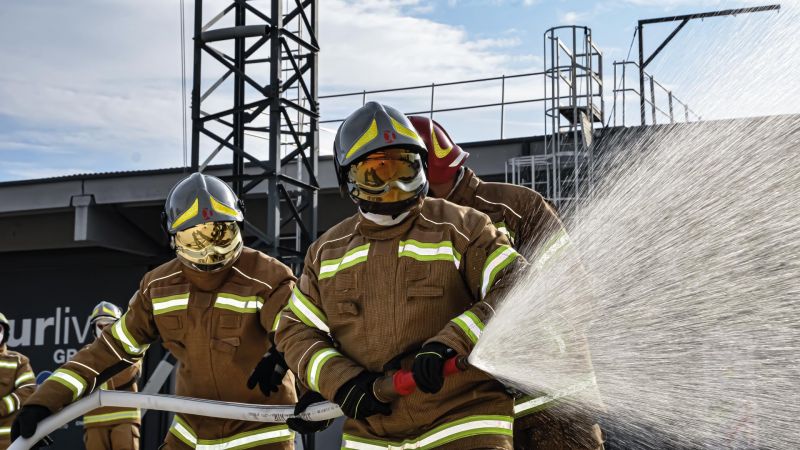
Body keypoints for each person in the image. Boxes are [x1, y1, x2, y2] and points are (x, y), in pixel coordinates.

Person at [274, 102, 522, 449]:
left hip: (463, 425)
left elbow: (515, 286)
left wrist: (451, 342)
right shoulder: (327, 251)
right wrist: (339, 382)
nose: (393, 185)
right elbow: (296, 330)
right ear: (347, 180)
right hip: (371, 436)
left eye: (405, 169)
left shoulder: (462, 227)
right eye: (374, 174)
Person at [13, 173, 298, 449]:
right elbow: (108, 350)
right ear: (172, 236)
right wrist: (43, 402)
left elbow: (300, 336)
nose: (209, 250)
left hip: (261, 435)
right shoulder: (159, 286)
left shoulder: (267, 277)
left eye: (220, 234)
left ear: (239, 224)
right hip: (191, 437)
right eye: (195, 239)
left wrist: (290, 364)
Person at [409, 115, 604, 450]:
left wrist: (523, 342)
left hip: (554, 402)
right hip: (473, 415)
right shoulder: (415, 232)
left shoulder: (515, 208)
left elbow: (576, 293)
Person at [82, 301, 142, 450]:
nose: (104, 330)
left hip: (124, 419)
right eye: (100, 326)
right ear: (93, 328)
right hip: (94, 421)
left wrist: (95, 377)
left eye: (108, 325)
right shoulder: (86, 352)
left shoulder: (130, 348)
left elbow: (126, 375)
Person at [0, 312, 36, 450]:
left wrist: (2, 407)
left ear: (5, 333)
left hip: (7, 442)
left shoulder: (18, 361)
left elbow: (28, 390)